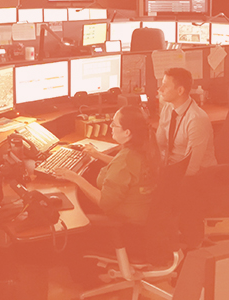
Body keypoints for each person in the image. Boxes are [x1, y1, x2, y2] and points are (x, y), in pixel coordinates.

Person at [53, 105, 161, 284]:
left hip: (125, 230)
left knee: (72, 224)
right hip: (145, 226)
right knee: (80, 201)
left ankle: (88, 283)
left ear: (127, 132)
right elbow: (124, 168)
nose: (110, 126)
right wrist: (96, 155)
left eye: (114, 124)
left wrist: (75, 177)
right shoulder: (142, 150)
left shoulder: (126, 160)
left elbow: (104, 202)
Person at [155, 67, 216, 176]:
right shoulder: (168, 108)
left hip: (199, 177)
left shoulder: (197, 120)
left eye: (165, 85)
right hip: (173, 169)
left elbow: (192, 167)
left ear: (180, 91)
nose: (160, 89)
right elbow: (160, 144)